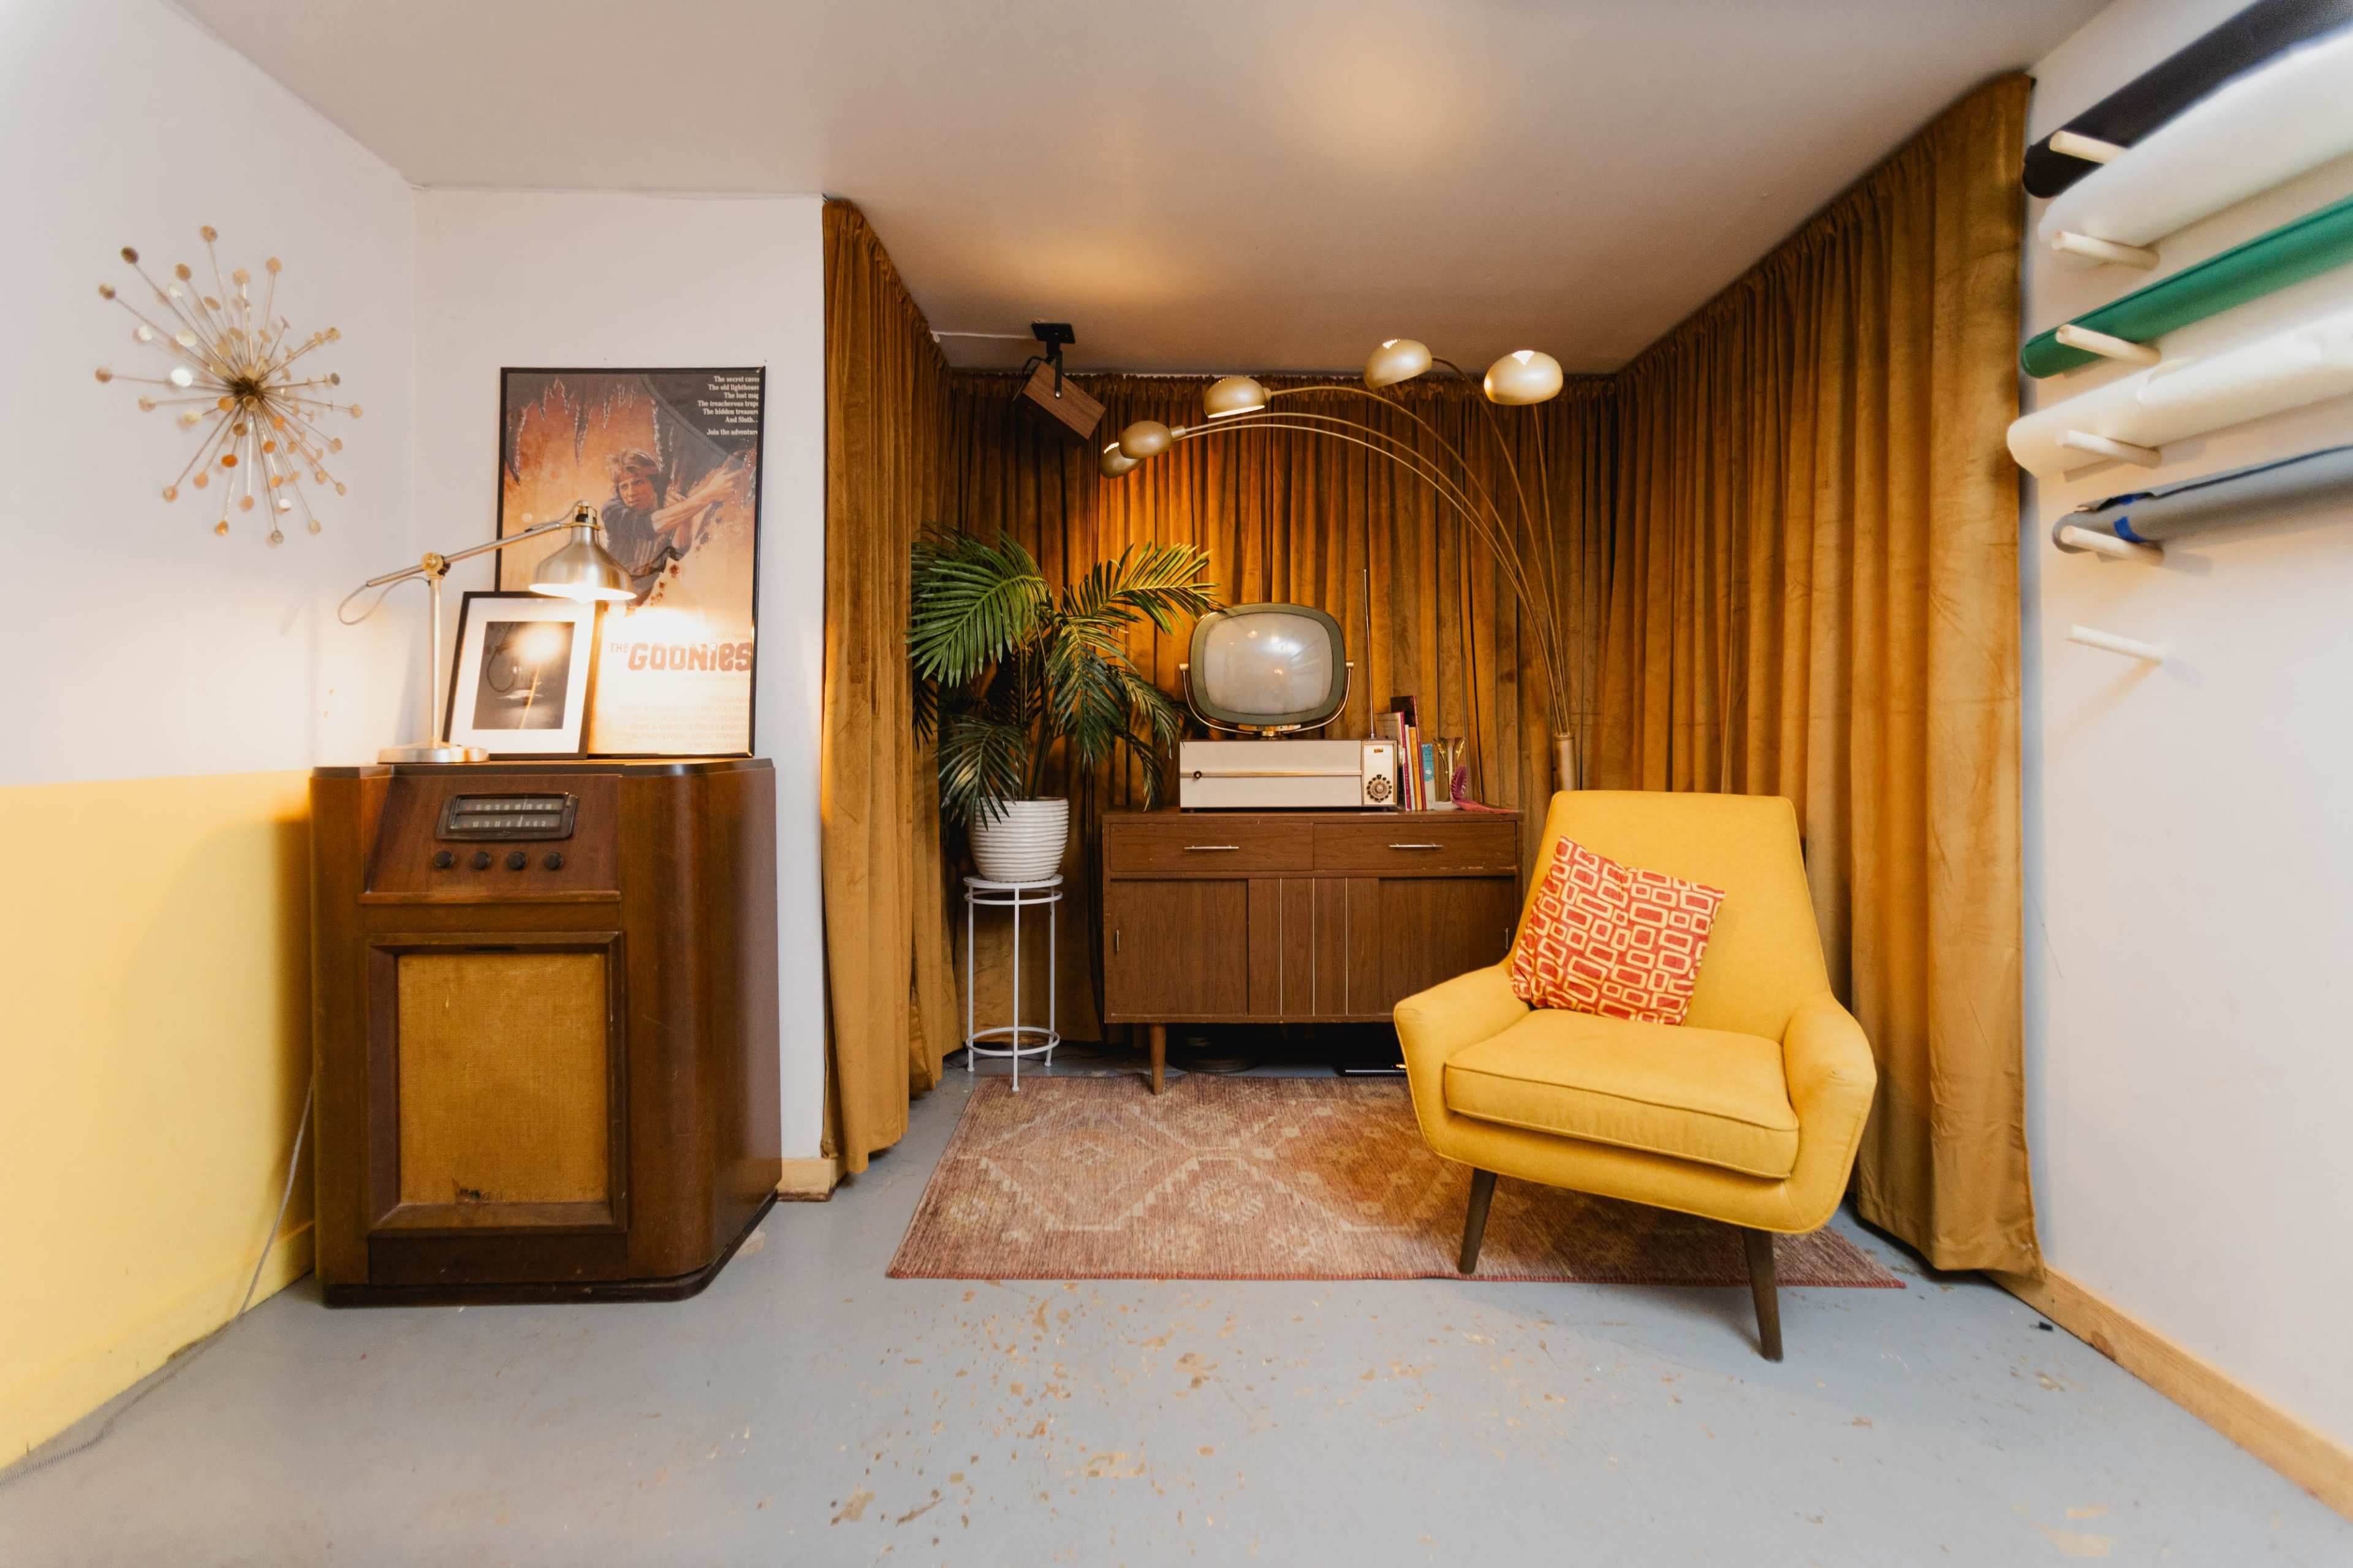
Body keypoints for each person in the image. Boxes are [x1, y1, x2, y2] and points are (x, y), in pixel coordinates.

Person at [599, 448, 753, 602]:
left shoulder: (665, 503)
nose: (631, 493)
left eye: (638, 482)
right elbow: (648, 526)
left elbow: (677, 552)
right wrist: (710, 494)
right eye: (623, 486)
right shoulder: (612, 511)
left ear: (653, 482)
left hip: (647, 592)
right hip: (615, 591)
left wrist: (684, 521)